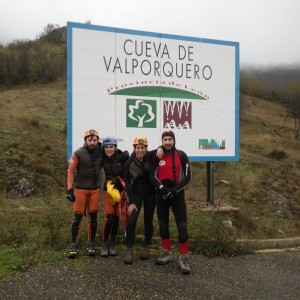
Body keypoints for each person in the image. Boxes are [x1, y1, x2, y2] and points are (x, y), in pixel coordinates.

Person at [149, 130, 192, 274]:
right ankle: (167, 253)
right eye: (165, 139)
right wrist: (163, 189)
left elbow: (188, 177)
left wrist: (174, 191)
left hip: (177, 195)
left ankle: (183, 258)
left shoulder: (182, 155)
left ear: (174, 141)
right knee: (163, 225)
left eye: (170, 139)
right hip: (162, 196)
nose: (167, 142)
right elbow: (151, 176)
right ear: (162, 141)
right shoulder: (157, 155)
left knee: (182, 226)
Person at [123, 136, 162, 264]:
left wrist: (161, 148)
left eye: (143, 148)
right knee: (132, 220)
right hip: (136, 195)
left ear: (146, 148)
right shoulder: (129, 163)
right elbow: (128, 184)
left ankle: (147, 246)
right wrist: (131, 202)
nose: (140, 150)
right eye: (138, 148)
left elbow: (160, 149)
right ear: (134, 149)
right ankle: (129, 249)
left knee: (148, 220)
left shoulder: (150, 156)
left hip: (150, 194)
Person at [66, 129, 102, 258]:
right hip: (80, 190)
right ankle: (73, 245)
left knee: (93, 217)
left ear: (98, 141)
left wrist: (122, 153)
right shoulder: (78, 153)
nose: (92, 142)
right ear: (85, 140)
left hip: (95, 190)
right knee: (78, 217)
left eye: (95, 140)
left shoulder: (100, 151)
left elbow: (112, 154)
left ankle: (90, 244)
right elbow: (70, 171)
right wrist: (69, 189)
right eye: (90, 140)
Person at [100, 136, 129, 257]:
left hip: (120, 189)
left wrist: (122, 183)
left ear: (115, 147)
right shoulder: (101, 157)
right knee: (110, 216)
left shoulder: (122, 157)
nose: (109, 149)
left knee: (117, 217)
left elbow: (128, 172)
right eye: (106, 147)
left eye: (111, 147)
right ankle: (104, 244)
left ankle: (112, 243)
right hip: (108, 189)